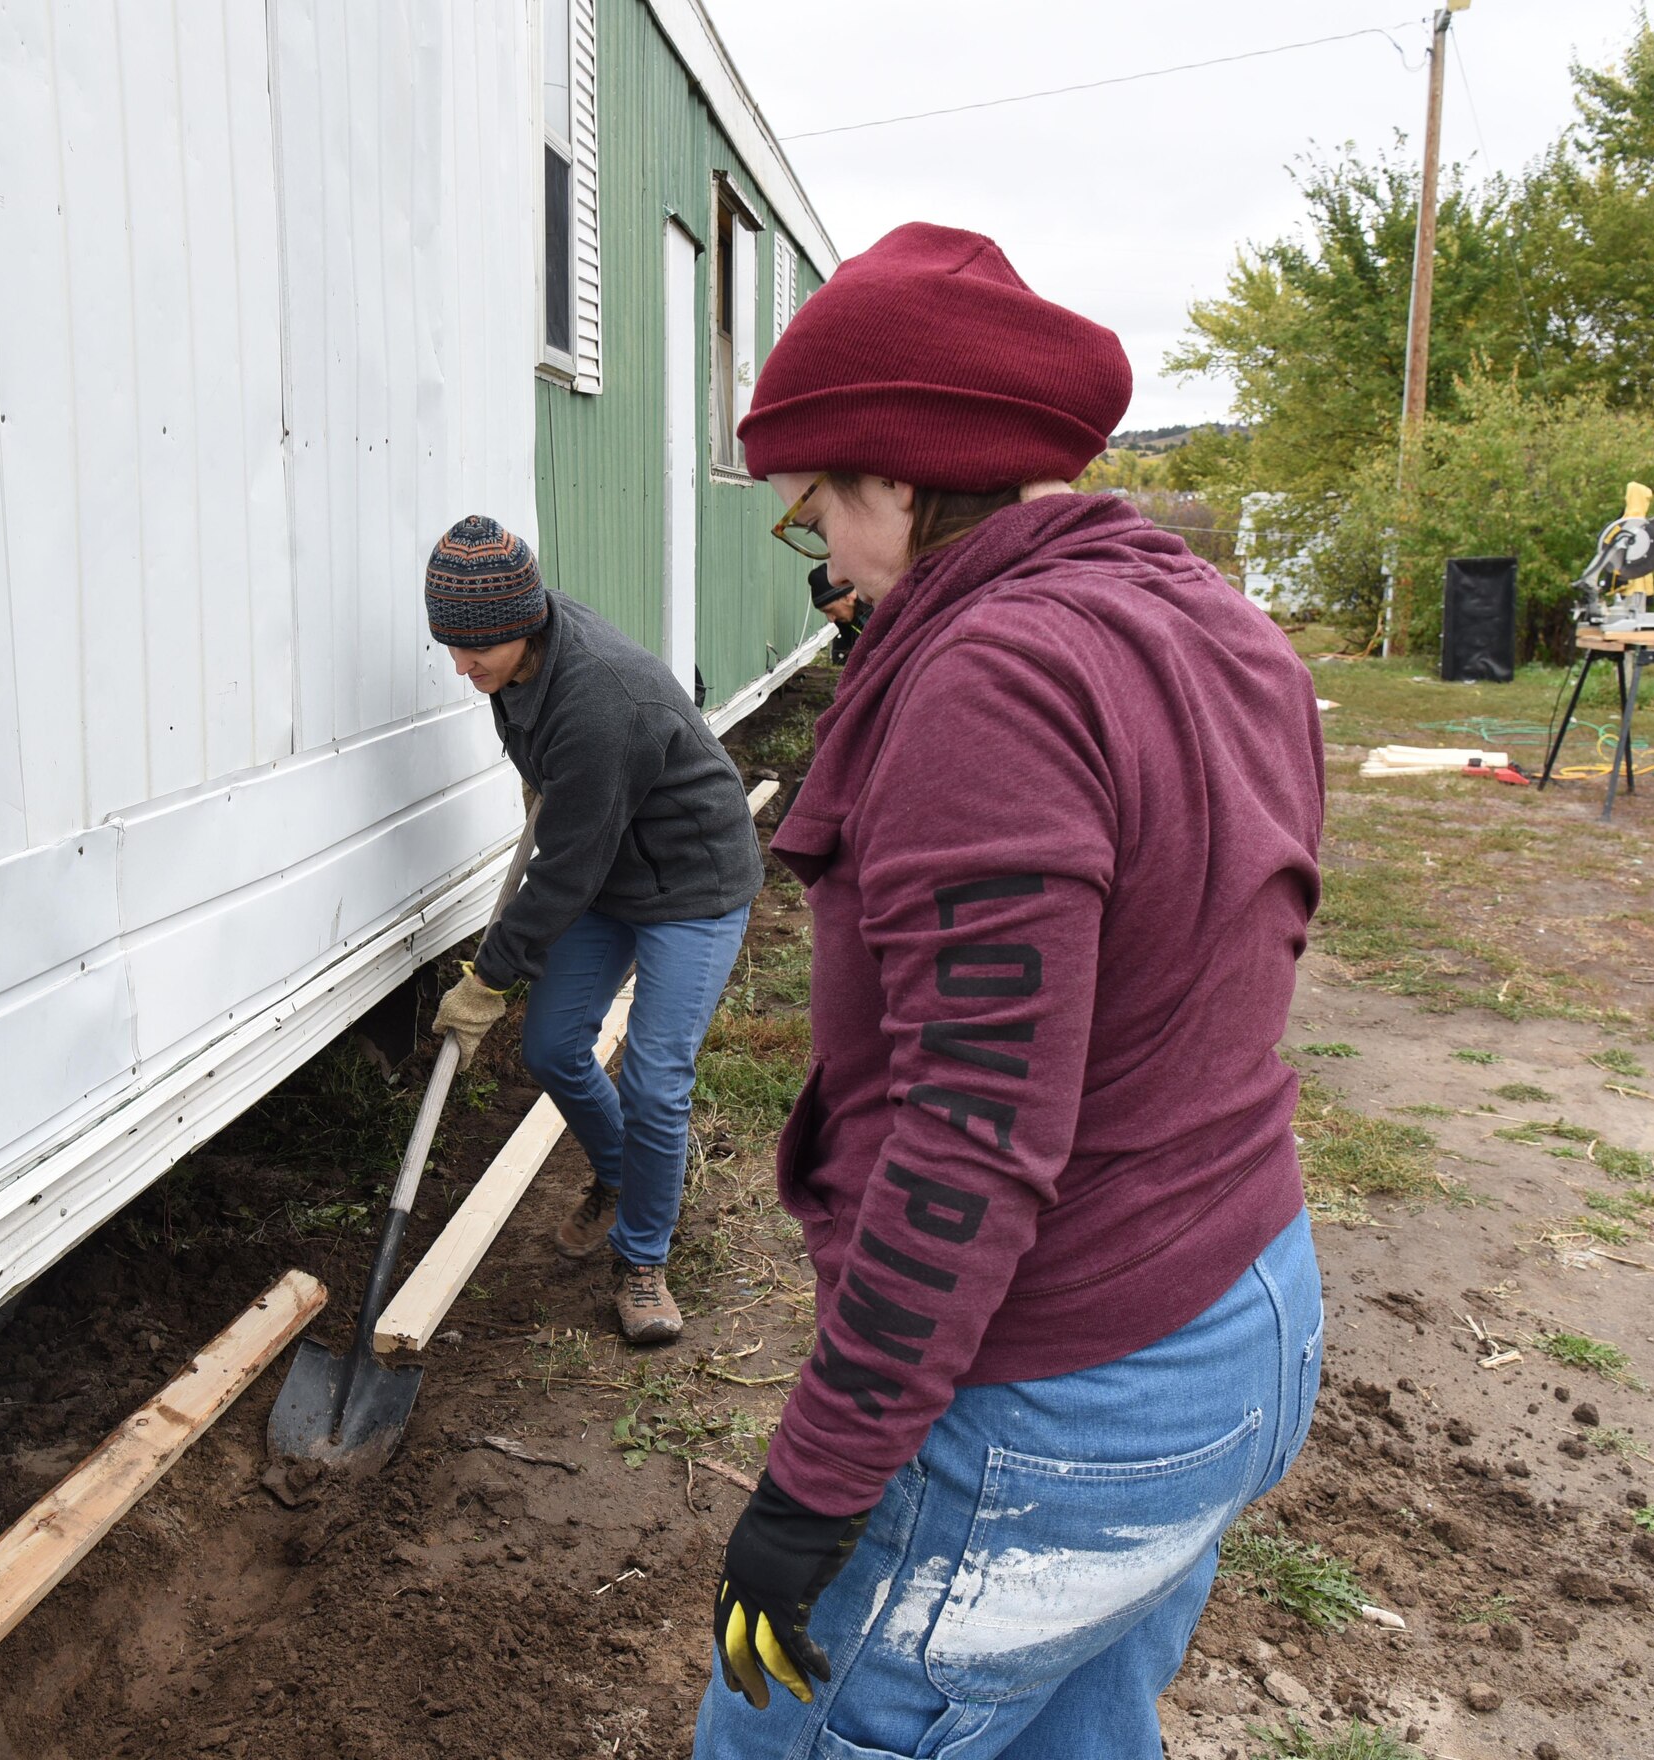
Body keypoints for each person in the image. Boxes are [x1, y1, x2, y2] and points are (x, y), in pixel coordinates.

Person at [693, 224, 1326, 1760]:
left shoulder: (997, 680)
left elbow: (972, 1136)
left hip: (1069, 1395)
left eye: (822, 508)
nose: (823, 554)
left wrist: (818, 1485)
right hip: (1250, 1311)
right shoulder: (1205, 616)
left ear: (905, 481)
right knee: (1073, 1725)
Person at [423, 517, 762, 1343]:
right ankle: (620, 1175)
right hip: (611, 869)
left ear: (527, 622)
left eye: (476, 653)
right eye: (451, 649)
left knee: (654, 1080)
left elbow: (565, 871)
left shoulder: (602, 700)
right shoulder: (517, 660)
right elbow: (576, 833)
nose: (463, 670)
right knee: (551, 1047)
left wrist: (488, 978)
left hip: (693, 880)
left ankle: (642, 1259)